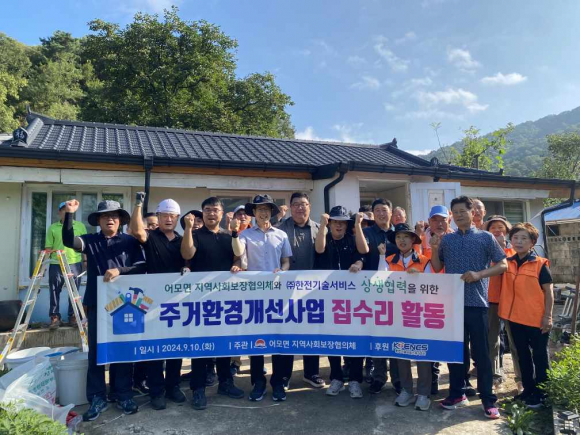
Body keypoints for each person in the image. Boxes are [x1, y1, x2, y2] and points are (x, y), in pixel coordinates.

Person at [62, 199, 146, 421]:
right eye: (105, 216)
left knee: (123, 351)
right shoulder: (90, 241)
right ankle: (97, 397)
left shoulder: (129, 241)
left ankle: (122, 394)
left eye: (114, 216)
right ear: (98, 220)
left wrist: (120, 270)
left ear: (120, 221)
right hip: (97, 304)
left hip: (124, 305)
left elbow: (141, 266)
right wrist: (69, 214)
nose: (110, 219)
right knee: (97, 353)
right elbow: (69, 240)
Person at [430, 196, 507, 419]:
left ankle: (488, 399)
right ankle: (457, 393)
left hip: (478, 303)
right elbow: (437, 267)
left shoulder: (485, 237)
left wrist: (480, 274)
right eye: (455, 212)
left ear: (473, 213)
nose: (459, 215)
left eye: (463, 211)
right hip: (453, 303)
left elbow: (502, 264)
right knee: (456, 352)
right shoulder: (447, 240)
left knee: (481, 353)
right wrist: (434, 249)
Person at [181, 197, 245, 410]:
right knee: (201, 346)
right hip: (200, 300)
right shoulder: (195, 235)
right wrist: (188, 229)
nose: (211, 213)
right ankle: (198, 388)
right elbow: (187, 254)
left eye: (215, 210)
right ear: (202, 212)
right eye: (207, 210)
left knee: (225, 343)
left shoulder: (228, 235)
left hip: (225, 299)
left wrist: (237, 265)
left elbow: (238, 256)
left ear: (221, 213)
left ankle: (225, 383)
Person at [231, 194, 293, 402]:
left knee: (277, 339)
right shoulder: (245, 234)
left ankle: (278, 382)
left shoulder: (281, 235)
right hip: (253, 295)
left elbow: (286, 261)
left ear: (271, 212)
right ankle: (258, 382)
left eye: (266, 209)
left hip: (276, 294)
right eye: (259, 209)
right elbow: (239, 252)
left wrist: (282, 270)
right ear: (254, 213)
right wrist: (234, 233)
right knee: (256, 341)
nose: (263, 212)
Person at [129, 194, 187, 411]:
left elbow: (189, 259)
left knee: (175, 348)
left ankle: (173, 387)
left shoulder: (182, 240)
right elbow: (137, 230)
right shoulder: (151, 237)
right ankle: (156, 391)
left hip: (176, 302)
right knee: (155, 349)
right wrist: (138, 205)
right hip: (153, 302)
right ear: (159, 217)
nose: (169, 219)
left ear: (177, 218)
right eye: (164, 215)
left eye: (172, 216)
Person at [377, 223, 433, 411]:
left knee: (422, 352)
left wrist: (420, 278)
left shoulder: (424, 261)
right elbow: (380, 281)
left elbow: (432, 286)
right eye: (398, 237)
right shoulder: (388, 260)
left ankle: (423, 393)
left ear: (413, 240)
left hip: (420, 313)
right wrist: (381, 255)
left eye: (406, 237)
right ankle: (407, 390)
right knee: (401, 352)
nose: (402, 240)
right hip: (398, 312)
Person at [498, 223, 553, 409]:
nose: (519, 242)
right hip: (515, 319)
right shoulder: (508, 262)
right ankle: (528, 390)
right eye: (515, 238)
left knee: (540, 357)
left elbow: (549, 293)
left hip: (537, 320)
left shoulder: (540, 264)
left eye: (524, 238)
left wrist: (548, 317)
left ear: (532, 243)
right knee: (523, 356)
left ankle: (542, 394)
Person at [276, 192, 325, 389]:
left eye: (303, 204)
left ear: (309, 206)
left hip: (312, 291)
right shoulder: (280, 229)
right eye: (295, 204)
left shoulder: (319, 229)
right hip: (285, 290)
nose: (300, 208)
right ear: (290, 207)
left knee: (311, 332)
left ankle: (311, 373)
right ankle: (284, 375)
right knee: (286, 332)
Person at [314, 206, 364, 398]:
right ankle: (336, 378)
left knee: (355, 338)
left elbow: (363, 253)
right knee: (332, 338)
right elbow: (319, 249)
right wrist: (322, 226)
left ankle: (355, 380)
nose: (339, 225)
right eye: (335, 222)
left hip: (354, 299)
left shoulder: (352, 239)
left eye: (342, 222)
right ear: (330, 223)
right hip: (329, 299)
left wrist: (358, 263)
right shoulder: (324, 238)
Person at [355, 198, 400, 395]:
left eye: (384, 210)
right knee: (377, 335)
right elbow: (362, 254)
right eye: (378, 210)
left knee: (396, 336)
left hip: (397, 293)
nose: (381, 213)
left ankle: (399, 378)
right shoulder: (367, 233)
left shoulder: (399, 233)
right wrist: (358, 263)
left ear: (391, 212)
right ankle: (379, 377)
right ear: (373, 214)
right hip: (372, 292)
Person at [482, 215, 521, 390]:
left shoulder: (514, 251)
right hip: (491, 300)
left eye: (500, 227)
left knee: (516, 341)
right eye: (493, 228)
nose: (497, 230)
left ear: (506, 230)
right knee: (492, 340)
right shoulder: (485, 251)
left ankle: (520, 378)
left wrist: (503, 249)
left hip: (512, 301)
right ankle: (494, 376)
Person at [45, 201, 87, 329]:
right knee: (54, 290)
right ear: (59, 212)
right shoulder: (52, 228)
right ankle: (55, 317)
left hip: (74, 263)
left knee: (74, 291)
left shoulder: (80, 226)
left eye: (67, 209)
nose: (65, 211)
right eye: (63, 209)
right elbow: (48, 248)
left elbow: (85, 246)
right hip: (56, 263)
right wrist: (43, 266)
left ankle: (73, 316)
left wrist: (85, 261)